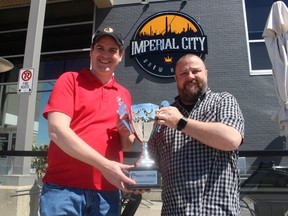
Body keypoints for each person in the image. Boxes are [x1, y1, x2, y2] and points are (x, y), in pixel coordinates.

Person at [40, 27, 137, 216]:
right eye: (100, 48)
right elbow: (56, 130)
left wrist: (126, 134)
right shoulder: (70, 80)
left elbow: (128, 144)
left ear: (120, 55)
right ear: (91, 51)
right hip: (63, 189)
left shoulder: (124, 94)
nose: (105, 55)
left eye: (112, 50)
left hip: (107, 192)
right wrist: (104, 165)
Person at [149, 53, 245, 215]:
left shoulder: (223, 101)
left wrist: (180, 122)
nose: (191, 76)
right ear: (176, 78)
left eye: (196, 71)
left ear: (206, 73)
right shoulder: (164, 115)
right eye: (184, 73)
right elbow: (152, 163)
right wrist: (138, 181)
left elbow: (231, 139)